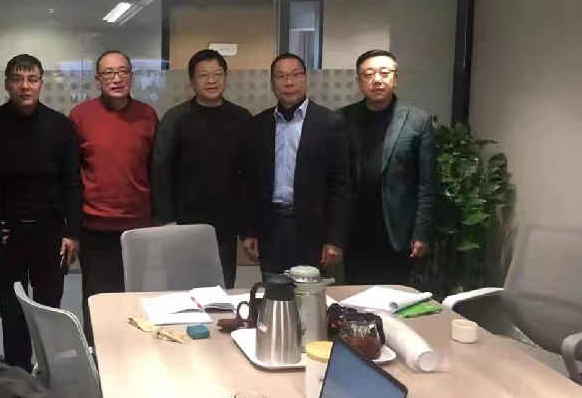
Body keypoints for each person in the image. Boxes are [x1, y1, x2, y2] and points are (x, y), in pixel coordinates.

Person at [0, 54, 82, 370]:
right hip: (7, 235)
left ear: (41, 83)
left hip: (50, 233)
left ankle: (51, 376)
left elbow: (73, 183)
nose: (25, 86)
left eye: (32, 79)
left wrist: (72, 232)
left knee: (50, 311)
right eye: (17, 79)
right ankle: (20, 380)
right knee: (11, 313)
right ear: (6, 83)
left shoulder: (60, 126)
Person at [69, 50, 158, 342]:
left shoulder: (147, 115)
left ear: (131, 76)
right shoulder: (81, 116)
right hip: (95, 228)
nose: (116, 78)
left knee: (138, 304)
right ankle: (98, 362)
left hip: (138, 229)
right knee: (98, 305)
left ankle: (136, 361)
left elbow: (155, 170)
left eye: (122, 71)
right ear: (98, 80)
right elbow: (71, 175)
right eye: (108, 73)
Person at [242, 52, 350, 278]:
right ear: (272, 83)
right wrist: (249, 231)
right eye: (280, 76)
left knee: (309, 294)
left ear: (305, 78)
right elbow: (251, 183)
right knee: (273, 290)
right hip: (271, 228)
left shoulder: (329, 122)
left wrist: (334, 238)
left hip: (313, 231)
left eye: (295, 75)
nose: (288, 82)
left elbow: (340, 185)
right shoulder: (258, 124)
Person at [151, 49, 251, 288]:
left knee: (221, 289)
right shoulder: (175, 119)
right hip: (183, 225)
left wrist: (248, 228)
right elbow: (160, 170)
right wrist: (167, 220)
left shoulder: (241, 118)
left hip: (225, 225)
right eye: (203, 75)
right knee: (182, 289)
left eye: (217, 74)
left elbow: (249, 175)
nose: (211, 81)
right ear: (191, 80)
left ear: (226, 76)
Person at [340, 49, 435, 285]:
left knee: (396, 297)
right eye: (368, 74)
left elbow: (427, 183)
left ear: (396, 78)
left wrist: (421, 232)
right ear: (359, 81)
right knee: (355, 296)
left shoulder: (418, 120)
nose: (377, 80)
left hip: (397, 232)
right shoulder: (343, 118)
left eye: (384, 73)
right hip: (355, 231)